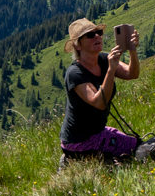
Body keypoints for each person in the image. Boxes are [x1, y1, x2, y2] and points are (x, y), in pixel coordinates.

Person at [59, 18, 140, 167]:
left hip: (97, 132)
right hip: (79, 140)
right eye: (90, 35)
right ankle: (76, 160)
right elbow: (99, 103)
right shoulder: (75, 73)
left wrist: (132, 51)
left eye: (99, 33)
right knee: (136, 150)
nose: (97, 37)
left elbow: (131, 74)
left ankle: (88, 160)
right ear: (78, 45)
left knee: (135, 144)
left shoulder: (103, 59)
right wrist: (111, 69)